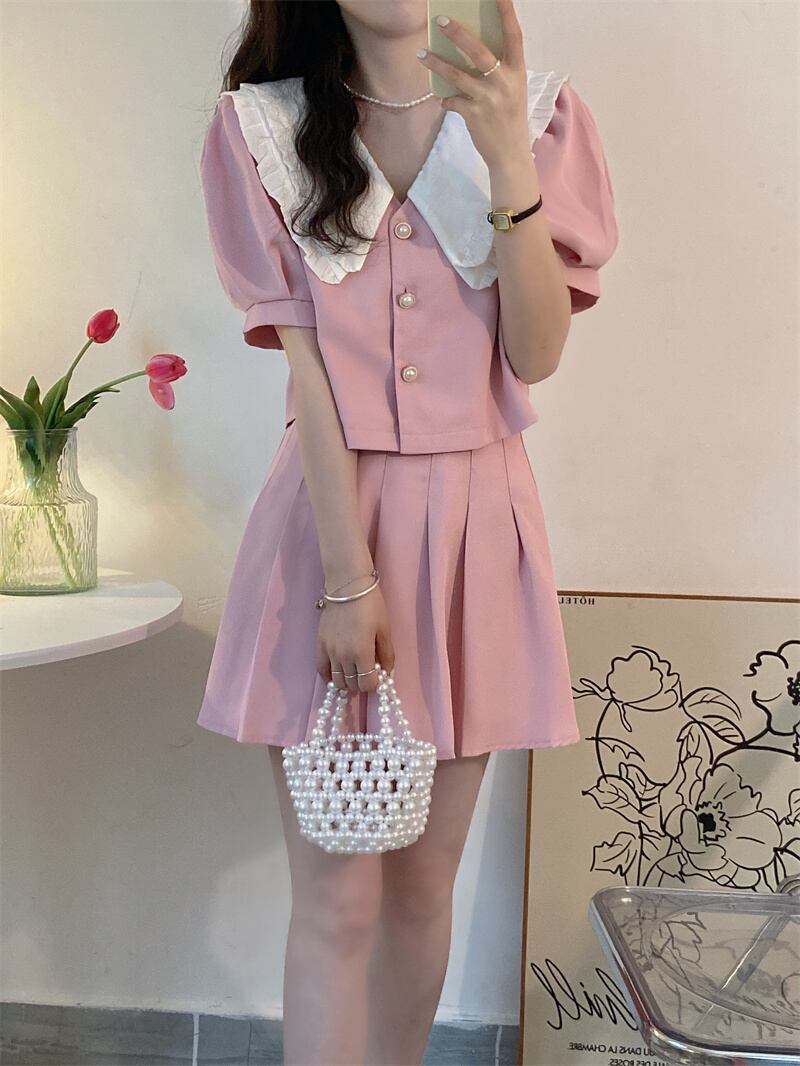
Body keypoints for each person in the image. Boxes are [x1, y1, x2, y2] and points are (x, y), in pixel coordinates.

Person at [196, 1, 618, 1062]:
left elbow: (534, 355)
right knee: (338, 895)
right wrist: (347, 580)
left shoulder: (542, 117)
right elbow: (307, 375)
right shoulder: (263, 129)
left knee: (425, 889)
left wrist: (505, 155)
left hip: (478, 534)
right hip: (329, 527)